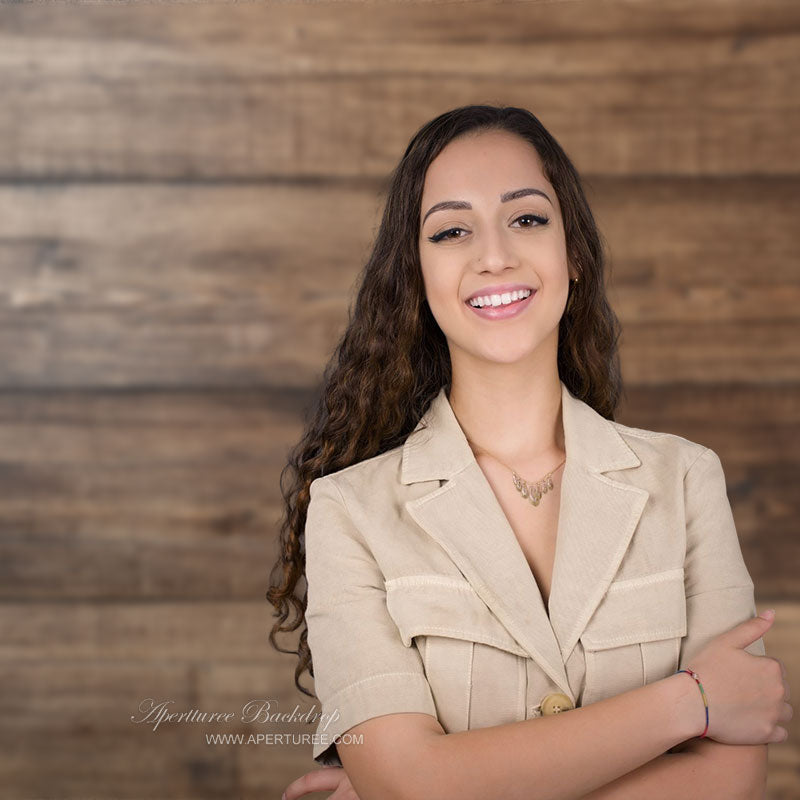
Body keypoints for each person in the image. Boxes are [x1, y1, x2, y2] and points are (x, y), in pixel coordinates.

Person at [268, 104, 792, 800]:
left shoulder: (687, 480)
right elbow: (409, 785)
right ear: (416, 277)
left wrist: (439, 785)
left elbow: (731, 782)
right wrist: (689, 702)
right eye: (452, 230)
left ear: (571, 251)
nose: (494, 255)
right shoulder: (348, 512)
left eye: (527, 218)